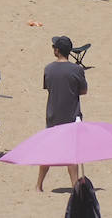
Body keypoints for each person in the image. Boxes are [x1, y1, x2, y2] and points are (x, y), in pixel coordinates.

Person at [34, 36, 86, 191]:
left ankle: (39, 185)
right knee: (73, 153)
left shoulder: (48, 69)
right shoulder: (77, 69)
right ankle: (74, 186)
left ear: (57, 50)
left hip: (52, 115)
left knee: (48, 150)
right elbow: (83, 90)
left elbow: (48, 87)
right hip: (71, 115)